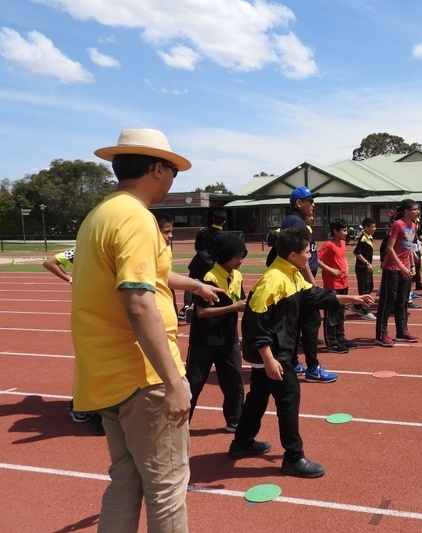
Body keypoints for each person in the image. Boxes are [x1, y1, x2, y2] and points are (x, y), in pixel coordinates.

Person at [71, 128, 222, 531]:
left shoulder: (101, 215)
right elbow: (138, 301)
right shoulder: (137, 219)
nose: (174, 179)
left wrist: (194, 285)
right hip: (145, 377)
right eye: (172, 169)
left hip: (107, 375)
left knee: (126, 479)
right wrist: (175, 382)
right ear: (157, 168)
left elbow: (152, 276)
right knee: (168, 487)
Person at [230, 228, 374, 477]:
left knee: (259, 396)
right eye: (308, 252)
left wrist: (353, 299)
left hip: (278, 351)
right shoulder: (273, 280)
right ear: (294, 254)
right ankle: (293, 457)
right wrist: (268, 359)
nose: (311, 256)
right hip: (274, 353)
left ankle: (242, 442)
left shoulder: (292, 274)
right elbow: (256, 322)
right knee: (289, 398)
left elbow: (315, 296)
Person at [266, 186, 337, 383]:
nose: (313, 205)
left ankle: (293, 361)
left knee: (296, 322)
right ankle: (313, 368)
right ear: (299, 203)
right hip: (301, 282)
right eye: (310, 201)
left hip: (298, 280)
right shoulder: (296, 223)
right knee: (311, 323)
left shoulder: (296, 222)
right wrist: (313, 286)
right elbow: (299, 257)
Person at [186, 233, 248, 432]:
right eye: (237, 256)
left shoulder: (237, 276)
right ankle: (180, 423)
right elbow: (202, 312)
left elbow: (241, 302)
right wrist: (233, 308)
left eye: (242, 255)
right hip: (204, 340)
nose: (241, 260)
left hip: (228, 338)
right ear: (224, 255)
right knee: (194, 383)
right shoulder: (209, 277)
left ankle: (235, 419)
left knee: (234, 381)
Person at [43, 248, 106, 435]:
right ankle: (81, 406)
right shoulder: (81, 249)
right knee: (93, 361)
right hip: (91, 311)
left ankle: (86, 406)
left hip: (99, 308)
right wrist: (71, 279)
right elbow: (49, 262)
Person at [375, 199, 420, 347]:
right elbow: (389, 248)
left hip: (406, 268)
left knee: (402, 301)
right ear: (406, 211)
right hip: (392, 268)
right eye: (415, 209)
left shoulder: (414, 226)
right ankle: (381, 334)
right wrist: (401, 267)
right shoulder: (398, 224)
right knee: (388, 302)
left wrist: (413, 266)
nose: (418, 212)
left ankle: (402, 331)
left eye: (418, 209)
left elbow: (409, 248)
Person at [318, 218, 358, 353]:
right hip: (332, 284)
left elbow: (343, 257)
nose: (346, 233)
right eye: (344, 230)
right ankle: (332, 341)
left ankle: (340, 337)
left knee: (341, 313)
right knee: (331, 314)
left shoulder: (342, 242)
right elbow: (316, 259)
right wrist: (331, 270)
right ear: (335, 231)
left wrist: (346, 267)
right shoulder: (328, 245)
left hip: (343, 282)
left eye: (347, 230)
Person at [182, 210, 227, 320]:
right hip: (212, 265)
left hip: (198, 262)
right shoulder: (224, 236)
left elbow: (197, 247)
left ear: (213, 219)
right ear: (224, 222)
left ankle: (187, 306)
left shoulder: (202, 231)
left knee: (191, 283)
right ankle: (207, 308)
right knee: (207, 286)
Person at [353, 217, 377, 320]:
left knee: (370, 287)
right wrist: (367, 263)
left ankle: (357, 306)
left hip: (367, 268)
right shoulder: (363, 238)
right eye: (373, 227)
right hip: (362, 268)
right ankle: (365, 311)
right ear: (366, 228)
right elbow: (357, 252)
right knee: (364, 289)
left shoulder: (369, 236)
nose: (375, 228)